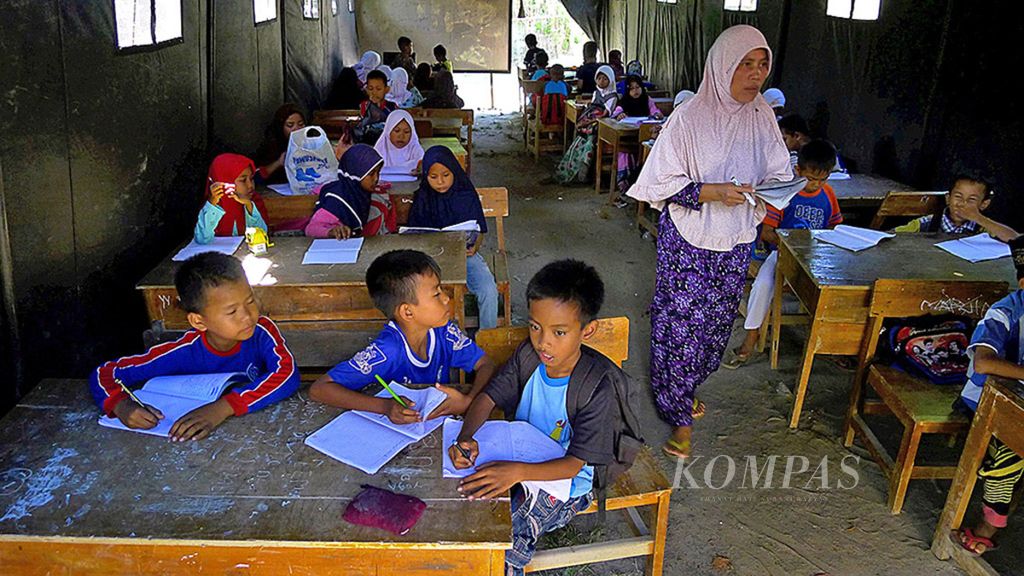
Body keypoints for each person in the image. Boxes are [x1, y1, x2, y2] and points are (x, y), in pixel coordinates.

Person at [626, 25, 792, 460]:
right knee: (680, 326)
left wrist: (773, 190)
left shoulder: (762, 116)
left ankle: (685, 387)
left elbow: (777, 170)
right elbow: (659, 182)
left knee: (715, 327)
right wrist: (711, 191)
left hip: (736, 238)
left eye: (762, 65)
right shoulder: (689, 118)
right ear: (722, 66)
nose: (755, 75)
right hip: (689, 240)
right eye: (745, 64)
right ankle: (678, 416)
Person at [450, 259, 617, 576]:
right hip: (519, 459)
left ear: (588, 330)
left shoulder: (595, 387)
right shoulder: (529, 356)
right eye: (535, 326)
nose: (544, 342)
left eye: (559, 332)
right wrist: (465, 438)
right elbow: (487, 397)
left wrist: (517, 473)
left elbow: (573, 465)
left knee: (513, 530)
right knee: (467, 495)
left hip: (566, 484)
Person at [88, 252, 299, 441]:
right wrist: (121, 406)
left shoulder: (262, 331)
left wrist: (223, 408)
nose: (247, 316)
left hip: (260, 435)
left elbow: (288, 374)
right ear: (199, 321)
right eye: (232, 312)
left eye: (250, 301)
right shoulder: (181, 352)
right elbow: (105, 373)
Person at [309, 250, 496, 421]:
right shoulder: (387, 351)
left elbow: (486, 364)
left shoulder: (445, 332)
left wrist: (468, 400)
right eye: (436, 294)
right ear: (407, 312)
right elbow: (320, 389)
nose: (446, 298)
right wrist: (384, 406)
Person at [722, 140, 843, 369]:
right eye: (810, 178)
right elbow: (767, 233)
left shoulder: (828, 195)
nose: (816, 185)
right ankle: (751, 338)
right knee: (763, 284)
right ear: (798, 171)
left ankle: (834, 343)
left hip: (817, 257)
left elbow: (835, 226)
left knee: (840, 289)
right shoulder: (785, 194)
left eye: (822, 180)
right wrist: (792, 243)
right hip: (783, 254)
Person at [950, 235, 1024, 556]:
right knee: (1009, 452)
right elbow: (983, 362)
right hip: (984, 401)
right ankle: (989, 526)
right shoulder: (1004, 312)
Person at [408, 146, 500, 329]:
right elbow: (414, 233)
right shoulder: (423, 197)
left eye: (446, 175)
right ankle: (439, 340)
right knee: (418, 293)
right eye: (433, 177)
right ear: (426, 176)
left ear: (454, 172)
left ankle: (487, 339)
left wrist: (475, 247)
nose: (440, 182)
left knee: (488, 290)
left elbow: (480, 229)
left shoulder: (466, 194)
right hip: (430, 260)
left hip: (465, 257)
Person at [305, 144, 394, 239]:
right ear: (356, 174)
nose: (376, 178)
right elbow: (311, 229)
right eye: (371, 174)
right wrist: (331, 231)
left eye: (378, 172)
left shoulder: (363, 193)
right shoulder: (337, 198)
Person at [895, 175, 1019, 241]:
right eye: (958, 197)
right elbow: (891, 236)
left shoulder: (984, 229)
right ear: (948, 198)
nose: (963, 203)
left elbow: (1016, 240)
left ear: (984, 204)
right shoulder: (927, 223)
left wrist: (979, 218)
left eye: (971, 200)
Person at [554, 65, 618, 185]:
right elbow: (593, 105)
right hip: (589, 124)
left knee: (589, 144)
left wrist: (588, 122)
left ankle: (582, 175)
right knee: (578, 143)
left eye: (605, 79)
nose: (601, 81)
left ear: (611, 80)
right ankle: (566, 171)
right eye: (599, 78)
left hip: (600, 126)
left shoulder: (612, 97)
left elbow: (604, 115)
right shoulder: (597, 92)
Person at [610, 75, 663, 207]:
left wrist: (657, 114)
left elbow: (656, 112)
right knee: (625, 154)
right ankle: (626, 187)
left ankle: (642, 186)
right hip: (628, 139)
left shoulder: (647, 100)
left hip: (645, 138)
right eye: (631, 88)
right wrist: (619, 115)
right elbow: (615, 114)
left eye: (637, 87)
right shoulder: (624, 102)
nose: (635, 91)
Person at [195, 153, 268, 244]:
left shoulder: (254, 201)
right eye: (243, 180)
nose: (250, 185)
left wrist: (248, 205)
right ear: (226, 181)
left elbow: (263, 235)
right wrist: (212, 203)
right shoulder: (212, 206)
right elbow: (202, 239)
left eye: (251, 178)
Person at [254, 103, 307, 185]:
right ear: (280, 127)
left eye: (300, 124)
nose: (296, 129)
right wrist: (278, 162)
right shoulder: (270, 146)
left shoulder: (311, 142)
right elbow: (255, 178)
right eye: (290, 125)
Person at [374, 110, 424, 175]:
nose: (401, 136)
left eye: (406, 132)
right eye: (397, 131)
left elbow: (421, 164)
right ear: (388, 131)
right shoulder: (380, 149)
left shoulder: (415, 149)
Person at [356, 70, 398, 144]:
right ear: (366, 90)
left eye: (378, 89)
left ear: (386, 89)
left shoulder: (392, 107)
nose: (374, 92)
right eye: (371, 89)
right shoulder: (364, 106)